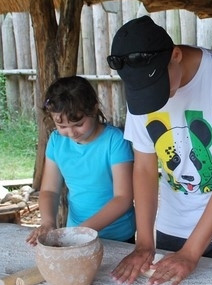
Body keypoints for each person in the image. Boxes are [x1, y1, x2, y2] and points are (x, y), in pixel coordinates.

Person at [107, 15, 212, 285]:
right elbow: (144, 167)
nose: (154, 98)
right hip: (173, 224)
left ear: (176, 55)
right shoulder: (140, 85)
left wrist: (191, 253)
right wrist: (145, 242)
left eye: (158, 87)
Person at [26, 76, 135, 246]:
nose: (71, 133)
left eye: (78, 124)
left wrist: (82, 232)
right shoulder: (56, 141)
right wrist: (48, 223)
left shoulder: (115, 141)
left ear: (94, 109)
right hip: (75, 231)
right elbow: (49, 190)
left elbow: (123, 198)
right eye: (62, 126)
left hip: (117, 236)